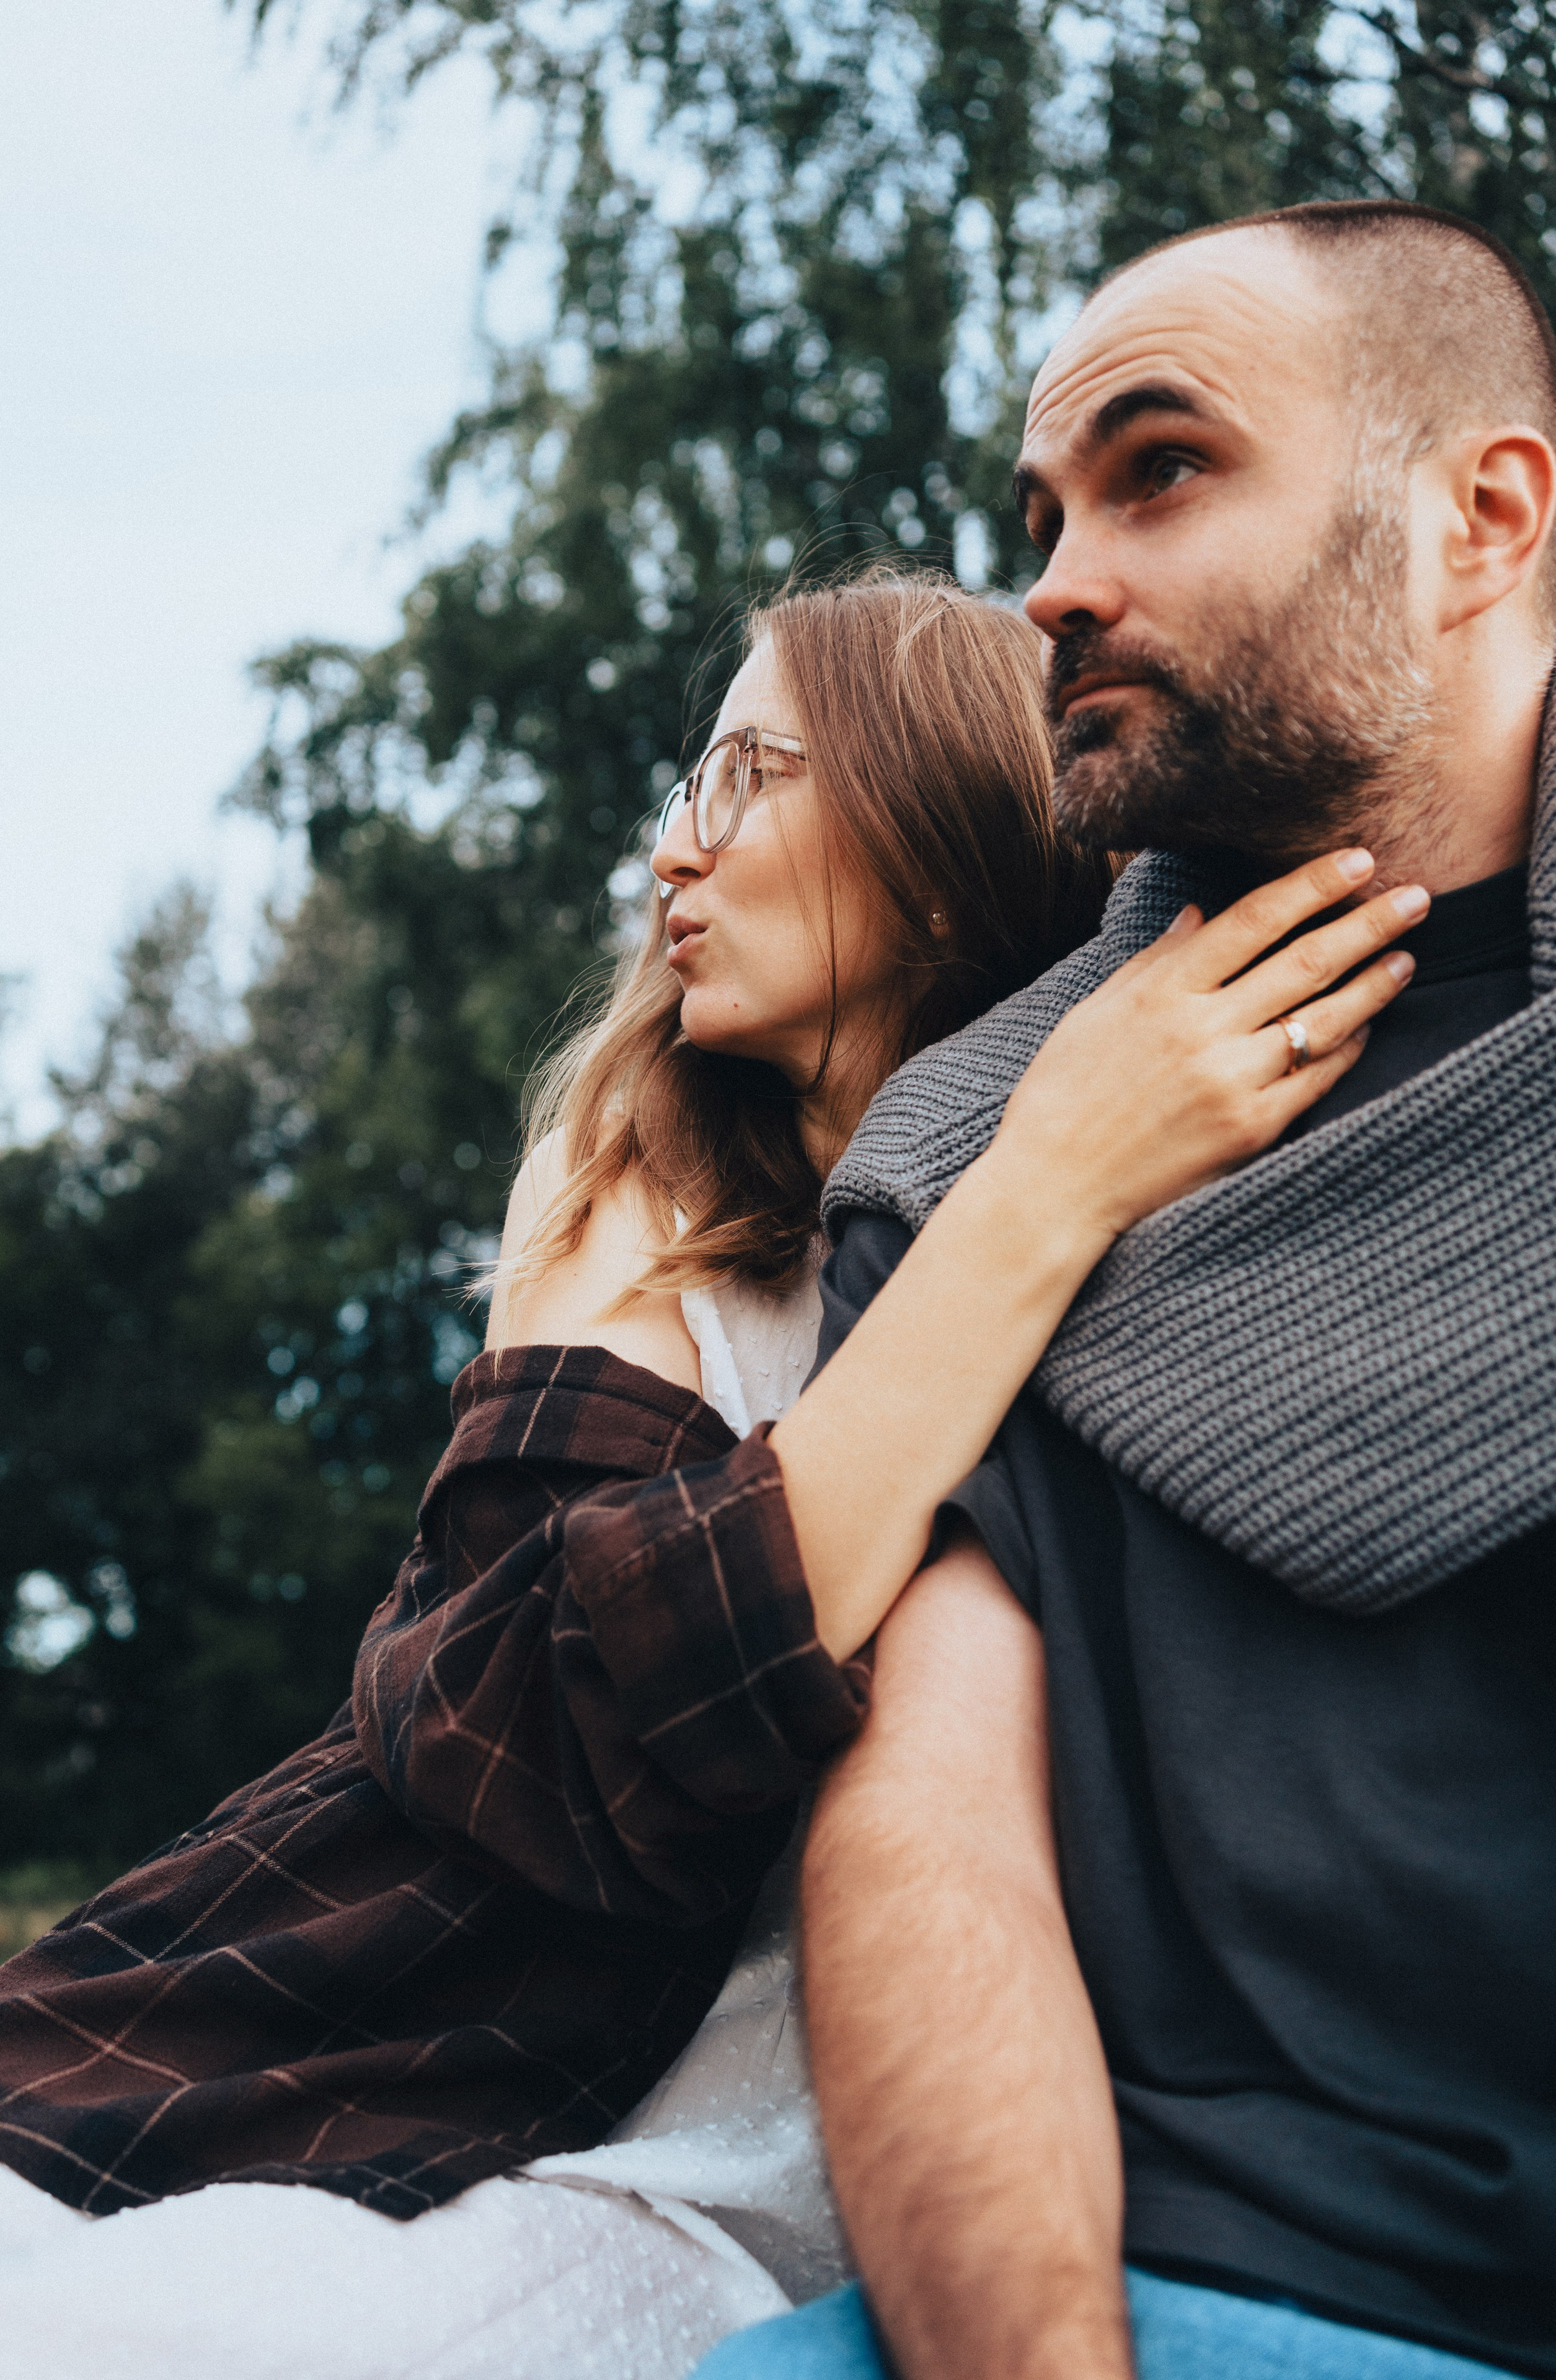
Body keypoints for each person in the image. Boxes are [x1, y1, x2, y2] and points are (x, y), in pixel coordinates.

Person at [0, 568, 1414, 2380]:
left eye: (750, 773)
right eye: (688, 781)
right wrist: (1041, 1188)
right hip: (342, 2077)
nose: (674, 849)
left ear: (935, 851)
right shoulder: (645, 1198)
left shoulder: (1160, 1248)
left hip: (787, 2183)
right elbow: (532, 1739)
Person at [693, 202, 1556, 2380]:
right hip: (1169, 2282)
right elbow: (930, 1839)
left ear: (1484, 517)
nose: (1056, 580)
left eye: (1161, 469)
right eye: (1043, 510)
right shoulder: (981, 1151)